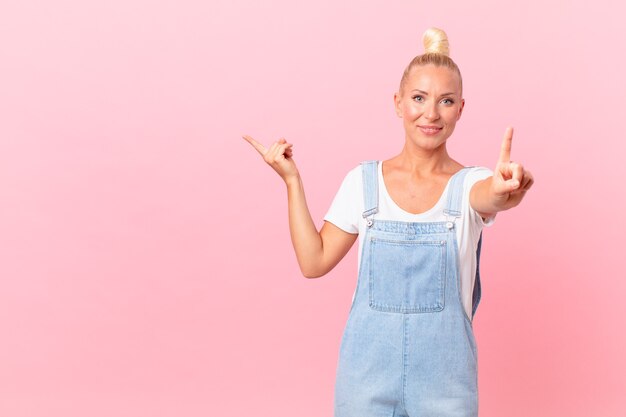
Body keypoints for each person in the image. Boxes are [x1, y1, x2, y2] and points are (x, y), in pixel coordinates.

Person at [243, 27, 533, 417]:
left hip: (446, 385)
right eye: (419, 98)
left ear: (461, 109)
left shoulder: (470, 186)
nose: (431, 113)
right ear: (398, 103)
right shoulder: (363, 184)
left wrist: (504, 189)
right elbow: (313, 263)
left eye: (446, 101)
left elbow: (491, 196)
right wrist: (292, 180)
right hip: (365, 382)